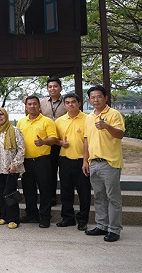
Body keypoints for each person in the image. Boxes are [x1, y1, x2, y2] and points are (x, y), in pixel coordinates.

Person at [83, 85, 125, 243]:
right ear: (89, 100)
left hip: (110, 162)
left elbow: (120, 134)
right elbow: (86, 140)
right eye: (92, 97)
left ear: (106, 98)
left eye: (99, 96)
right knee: (99, 197)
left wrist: (107, 126)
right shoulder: (89, 117)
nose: (96, 100)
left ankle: (114, 229)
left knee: (113, 197)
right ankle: (102, 225)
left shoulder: (114, 114)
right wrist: (85, 160)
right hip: (93, 162)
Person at [17, 95, 59, 228]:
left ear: (39, 106)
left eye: (34, 104)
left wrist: (44, 142)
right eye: (29, 104)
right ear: (26, 107)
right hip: (26, 161)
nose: (32, 106)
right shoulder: (21, 122)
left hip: (43, 161)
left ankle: (45, 217)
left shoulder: (47, 121)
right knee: (28, 190)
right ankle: (32, 214)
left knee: (45, 189)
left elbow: (54, 139)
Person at [55, 92, 90, 230]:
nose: (70, 105)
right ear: (64, 105)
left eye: (73, 102)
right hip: (64, 160)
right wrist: (60, 143)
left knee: (84, 192)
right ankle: (67, 218)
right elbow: (55, 139)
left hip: (82, 161)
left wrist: (86, 160)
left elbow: (90, 141)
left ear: (79, 103)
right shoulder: (59, 121)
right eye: (67, 102)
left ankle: (83, 220)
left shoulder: (88, 119)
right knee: (66, 191)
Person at [40, 77, 67, 206]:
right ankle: (51, 197)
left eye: (55, 86)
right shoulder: (42, 102)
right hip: (49, 141)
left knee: (64, 171)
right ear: (47, 89)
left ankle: (66, 198)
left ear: (60, 88)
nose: (52, 89)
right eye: (50, 87)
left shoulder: (67, 102)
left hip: (63, 141)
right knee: (49, 171)